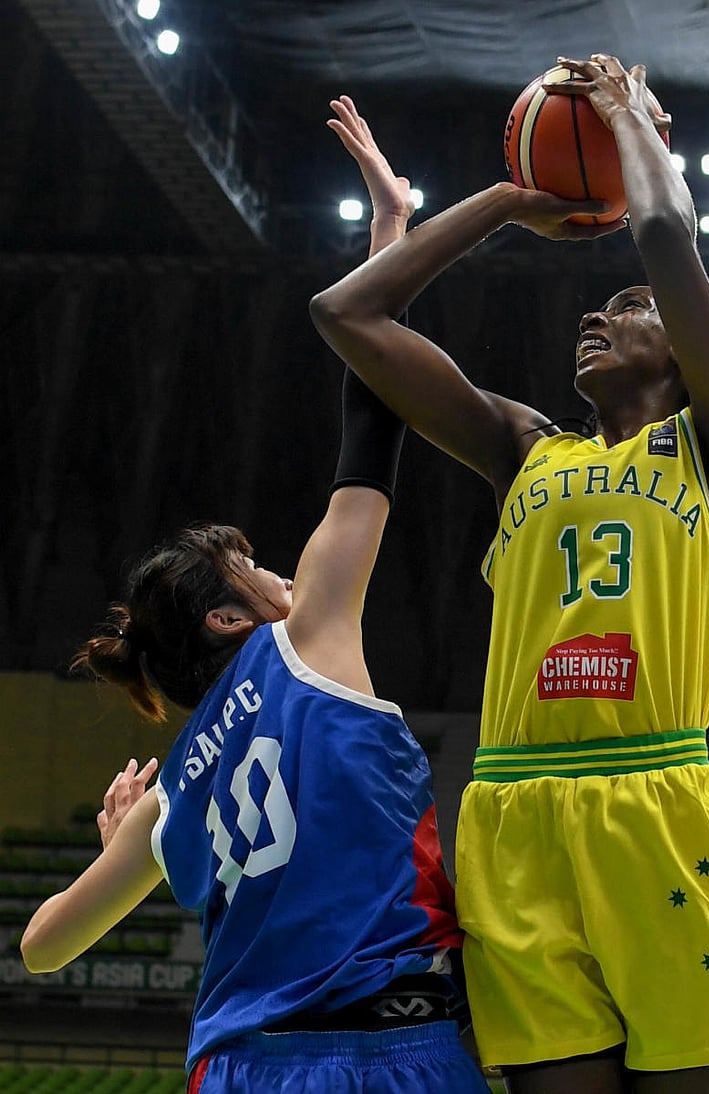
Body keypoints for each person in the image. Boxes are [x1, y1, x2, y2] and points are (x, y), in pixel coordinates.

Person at [309, 54, 709, 1093]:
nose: (596, 315)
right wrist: (509, 199)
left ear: (684, 353)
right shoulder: (524, 447)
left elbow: (669, 236)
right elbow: (348, 315)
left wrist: (634, 128)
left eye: (631, 307)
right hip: (511, 808)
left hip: (655, 796)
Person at [20, 96, 490, 1094]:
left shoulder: (175, 790)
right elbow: (375, 409)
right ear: (231, 615)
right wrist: (391, 227)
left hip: (235, 1066)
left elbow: (43, 943)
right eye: (255, 566)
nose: (284, 569)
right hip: (383, 1049)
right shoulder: (307, 635)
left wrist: (130, 845)